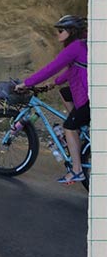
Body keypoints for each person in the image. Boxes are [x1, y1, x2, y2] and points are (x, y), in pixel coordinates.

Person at [15, 15, 88, 184]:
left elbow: (51, 68)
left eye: (61, 31)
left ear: (71, 31)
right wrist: (54, 83)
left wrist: (26, 83)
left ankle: (77, 171)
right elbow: (73, 71)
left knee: (68, 127)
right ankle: (80, 129)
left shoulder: (75, 47)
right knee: (64, 93)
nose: (58, 34)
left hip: (90, 99)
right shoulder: (82, 45)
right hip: (90, 95)